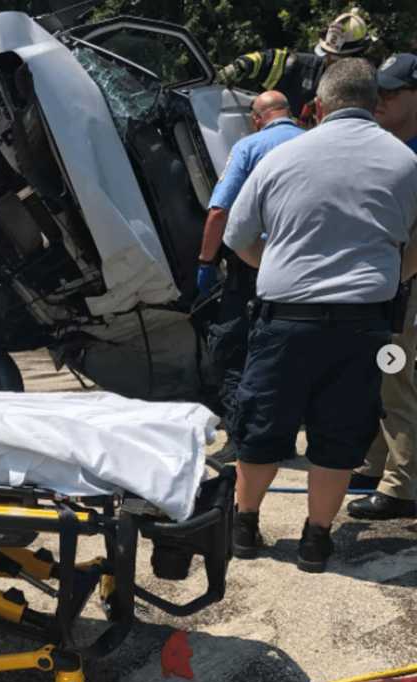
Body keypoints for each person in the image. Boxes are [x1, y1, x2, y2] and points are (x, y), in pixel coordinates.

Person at [222, 58, 417, 573]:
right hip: (365, 323)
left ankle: (244, 527)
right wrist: (394, 274)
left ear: (319, 105)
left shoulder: (280, 158)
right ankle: (316, 540)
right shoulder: (404, 162)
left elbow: (237, 236)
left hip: (285, 318)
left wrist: (278, 266)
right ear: (374, 103)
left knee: (262, 428)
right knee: (339, 435)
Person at [197, 91, 303, 464]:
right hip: (308, 267)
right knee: (289, 353)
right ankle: (283, 439)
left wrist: (206, 263)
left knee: (232, 349)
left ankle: (240, 440)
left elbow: (219, 211)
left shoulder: (250, 146)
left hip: (256, 266)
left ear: (257, 118)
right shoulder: (313, 141)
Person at [347, 53, 417, 520]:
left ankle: (403, 486)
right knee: (381, 370)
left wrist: (396, 280)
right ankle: (378, 462)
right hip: (393, 280)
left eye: (391, 94)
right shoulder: (395, 146)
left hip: (406, 282)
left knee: (398, 376)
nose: (380, 101)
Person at [217, 11, 370, 125]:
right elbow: (268, 60)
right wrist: (240, 67)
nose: (330, 61)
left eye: (337, 58)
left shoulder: (370, 90)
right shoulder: (303, 67)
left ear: (357, 56)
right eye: (327, 54)